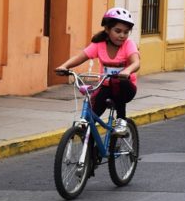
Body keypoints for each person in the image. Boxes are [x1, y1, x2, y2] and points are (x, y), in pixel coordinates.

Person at [55, 7, 140, 136]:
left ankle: (121, 120)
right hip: (106, 87)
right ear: (107, 29)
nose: (122, 35)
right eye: (118, 31)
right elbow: (80, 57)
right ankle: (90, 144)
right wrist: (64, 67)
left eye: (126, 32)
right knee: (90, 117)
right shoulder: (99, 45)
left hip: (126, 89)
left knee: (118, 82)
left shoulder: (128, 44)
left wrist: (128, 70)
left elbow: (136, 62)